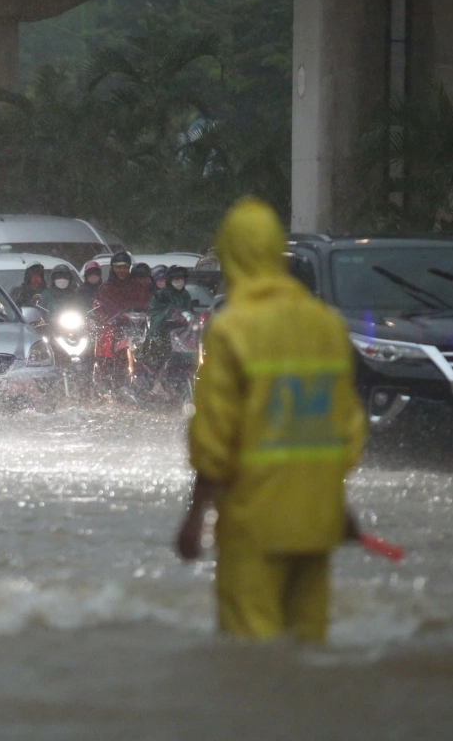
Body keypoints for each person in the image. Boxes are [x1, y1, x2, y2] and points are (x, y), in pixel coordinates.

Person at [176, 197, 366, 643]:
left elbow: (215, 436)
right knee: (309, 645)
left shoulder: (232, 328)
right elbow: (345, 427)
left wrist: (194, 516)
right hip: (318, 519)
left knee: (250, 653)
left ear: (230, 255)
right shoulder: (326, 324)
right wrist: (341, 504)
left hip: (254, 522)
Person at [94, 252, 151, 317]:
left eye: (125, 267)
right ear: (113, 268)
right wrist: (122, 317)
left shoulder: (137, 286)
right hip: (113, 325)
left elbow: (146, 305)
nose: (121, 270)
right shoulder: (106, 289)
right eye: (118, 267)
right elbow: (105, 311)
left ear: (129, 268)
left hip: (137, 324)